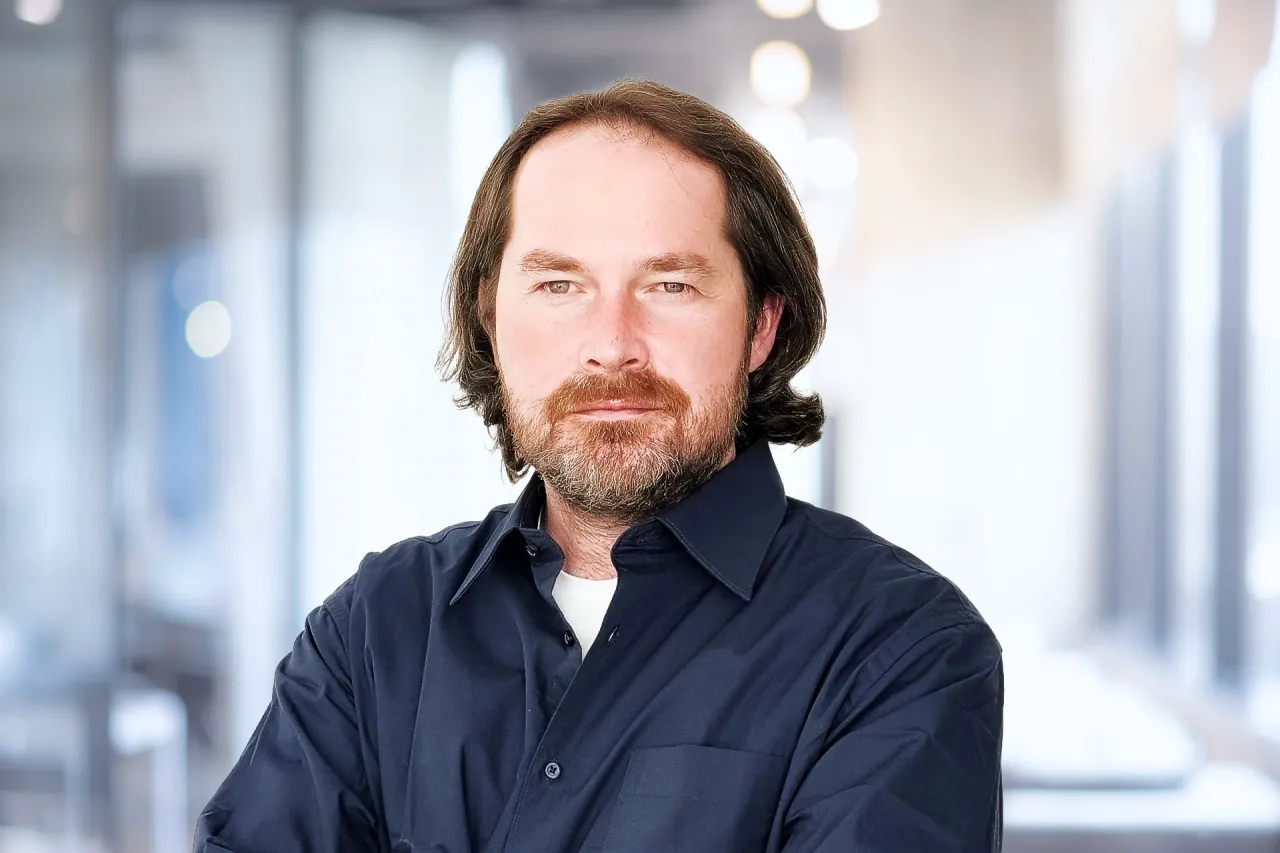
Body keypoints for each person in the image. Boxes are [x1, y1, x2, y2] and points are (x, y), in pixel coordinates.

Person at [193, 79, 1003, 853]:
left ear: (760, 326)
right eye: (558, 284)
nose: (612, 342)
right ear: (491, 317)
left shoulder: (899, 649)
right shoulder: (376, 632)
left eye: (671, 283)